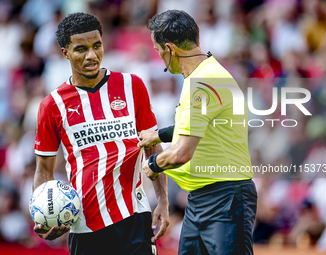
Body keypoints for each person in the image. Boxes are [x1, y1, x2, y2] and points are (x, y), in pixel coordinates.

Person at [33, 12, 169, 255]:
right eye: (81, 49)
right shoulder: (52, 105)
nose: (91, 56)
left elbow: (153, 147)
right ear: (65, 52)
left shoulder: (132, 86)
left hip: (135, 218)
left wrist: (163, 202)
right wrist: (42, 215)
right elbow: (44, 169)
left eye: (97, 46)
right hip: (85, 225)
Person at [138, 10, 257, 255]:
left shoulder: (204, 80)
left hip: (226, 199)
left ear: (170, 48)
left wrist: (153, 164)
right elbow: (196, 127)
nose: (159, 56)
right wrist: (158, 135)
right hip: (201, 200)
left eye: (158, 49)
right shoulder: (202, 75)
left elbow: (182, 152)